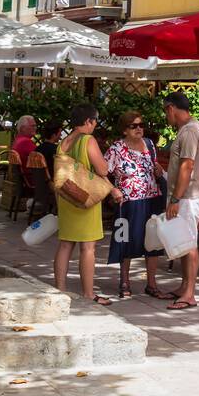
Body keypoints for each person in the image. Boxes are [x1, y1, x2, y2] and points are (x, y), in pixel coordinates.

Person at [53, 104, 123, 305]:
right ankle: (88, 293)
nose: (95, 125)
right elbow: (103, 168)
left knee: (65, 244)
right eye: (94, 121)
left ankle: (60, 289)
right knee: (88, 248)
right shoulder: (88, 140)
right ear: (88, 121)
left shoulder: (64, 142)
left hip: (68, 198)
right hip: (85, 199)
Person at [105, 110, 170, 299]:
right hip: (128, 202)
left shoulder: (149, 144)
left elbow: (154, 169)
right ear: (124, 130)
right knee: (125, 239)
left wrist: (159, 170)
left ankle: (152, 284)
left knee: (153, 241)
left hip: (152, 199)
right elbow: (102, 172)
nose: (139, 129)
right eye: (134, 126)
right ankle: (124, 281)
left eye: (141, 125)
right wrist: (112, 190)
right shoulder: (116, 148)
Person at [163, 90, 199, 310]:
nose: (166, 116)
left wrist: (175, 197)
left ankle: (189, 293)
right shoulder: (194, 127)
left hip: (187, 196)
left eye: (166, 111)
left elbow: (187, 165)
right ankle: (184, 287)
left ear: (171, 108)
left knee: (189, 242)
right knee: (183, 241)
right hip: (189, 194)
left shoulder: (189, 132)